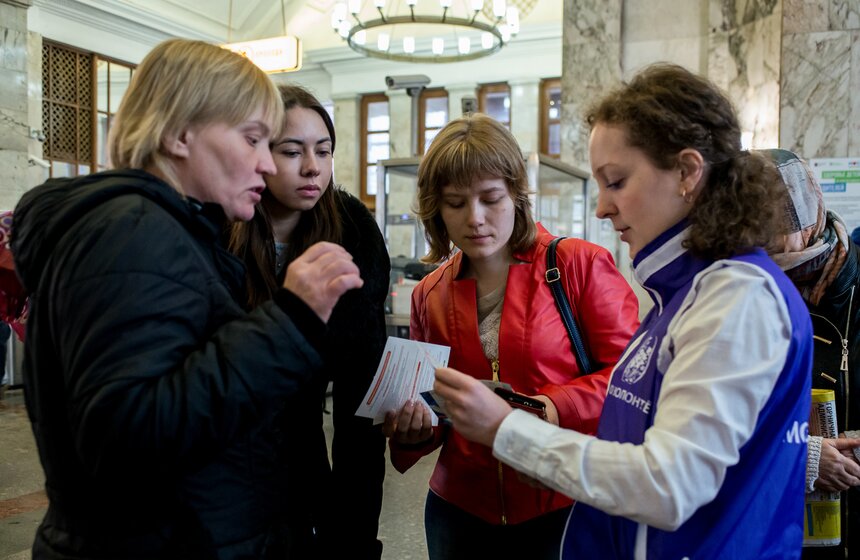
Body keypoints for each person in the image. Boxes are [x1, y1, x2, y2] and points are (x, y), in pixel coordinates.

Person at [433, 64, 814, 559]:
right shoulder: (685, 291)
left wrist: (507, 429)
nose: (602, 208)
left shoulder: (736, 296)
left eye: (616, 182)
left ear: (687, 172)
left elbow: (668, 484)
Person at [10, 38, 363, 559]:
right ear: (179, 134)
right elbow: (126, 439)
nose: (267, 165)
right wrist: (289, 320)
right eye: (253, 139)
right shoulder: (133, 232)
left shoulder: (165, 231)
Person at [382, 113, 640, 559]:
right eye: (455, 203)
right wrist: (412, 430)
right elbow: (433, 407)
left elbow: (632, 379)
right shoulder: (429, 293)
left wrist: (550, 406)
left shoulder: (578, 265)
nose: (475, 218)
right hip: (459, 510)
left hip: (562, 502)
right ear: (436, 209)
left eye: (491, 198)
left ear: (517, 195)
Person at [229, 84, 389, 558]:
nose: (313, 168)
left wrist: (355, 539)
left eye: (323, 150)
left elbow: (361, 405)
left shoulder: (352, 233)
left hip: (302, 460)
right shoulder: (219, 227)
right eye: (292, 151)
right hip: (221, 465)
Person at [763, 148, 860, 560]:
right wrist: (799, 457)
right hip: (776, 529)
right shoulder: (739, 290)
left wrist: (850, 454)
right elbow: (714, 422)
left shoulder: (851, 287)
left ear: (810, 219)